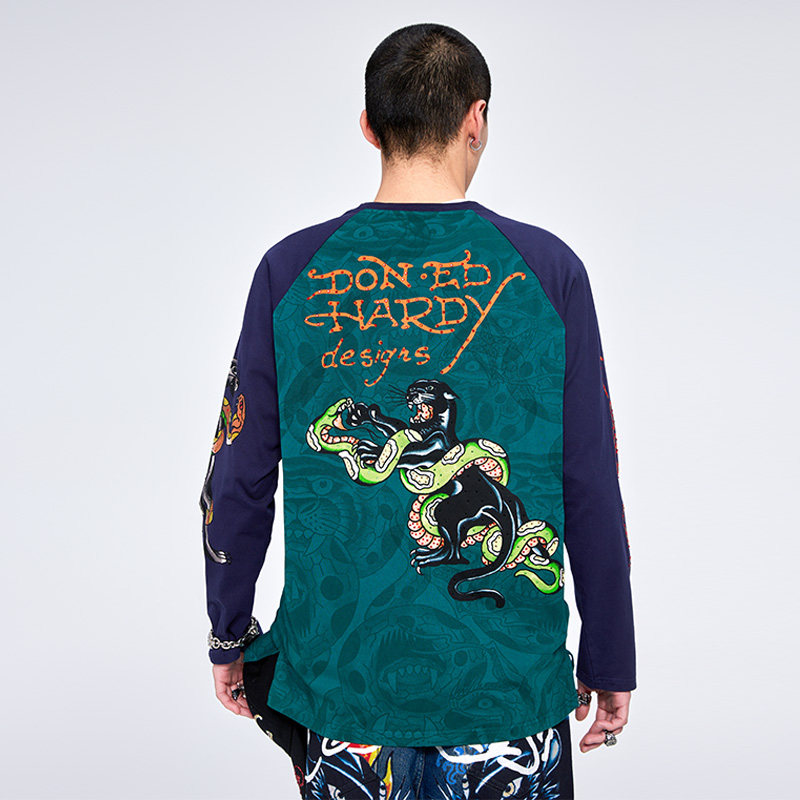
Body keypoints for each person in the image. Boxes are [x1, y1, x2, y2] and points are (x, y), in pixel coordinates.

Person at [201, 22, 635, 800]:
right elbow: (591, 481)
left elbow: (237, 478)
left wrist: (228, 630)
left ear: (370, 127)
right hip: (508, 691)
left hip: (344, 692)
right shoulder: (547, 271)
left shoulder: (291, 271)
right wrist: (611, 654)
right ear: (476, 119)